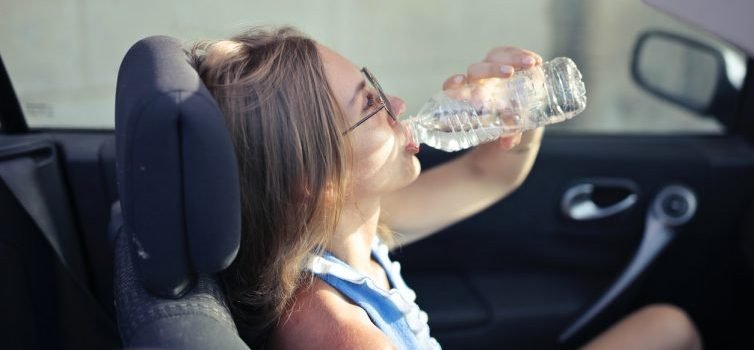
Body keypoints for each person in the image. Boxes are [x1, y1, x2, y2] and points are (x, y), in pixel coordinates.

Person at [190, 26, 701, 350]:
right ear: (315, 179)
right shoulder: (337, 332)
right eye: (369, 104)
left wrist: (520, 110)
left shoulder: (349, 232)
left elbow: (488, 175)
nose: (396, 104)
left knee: (667, 325)